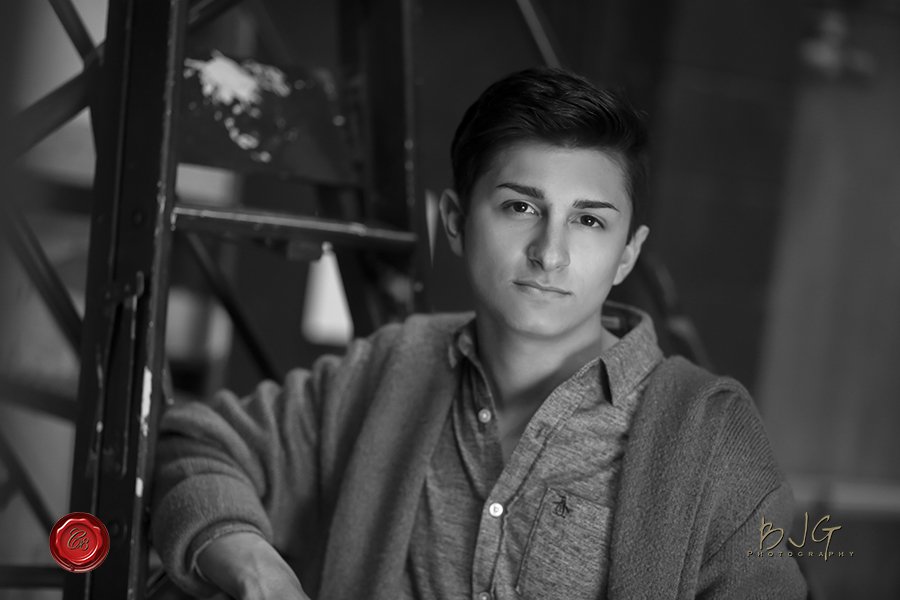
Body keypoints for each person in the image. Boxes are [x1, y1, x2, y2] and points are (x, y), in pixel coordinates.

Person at [150, 67, 807, 599]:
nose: (550, 253)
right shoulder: (392, 367)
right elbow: (196, 447)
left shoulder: (709, 434)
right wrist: (251, 563)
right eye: (521, 207)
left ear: (628, 254)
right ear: (457, 222)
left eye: (589, 222)